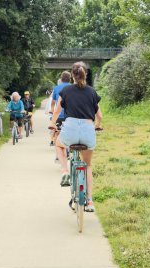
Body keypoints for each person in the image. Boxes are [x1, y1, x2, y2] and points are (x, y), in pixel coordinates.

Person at [50, 62, 102, 213]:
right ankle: (90, 201)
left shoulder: (65, 91)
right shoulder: (92, 92)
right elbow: (99, 116)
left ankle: (65, 171)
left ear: (72, 75)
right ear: (85, 74)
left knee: (59, 145)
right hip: (87, 130)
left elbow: (56, 112)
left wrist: (53, 124)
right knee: (88, 165)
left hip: (70, 129)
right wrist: (96, 125)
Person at [50, 72, 72, 147]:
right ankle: (70, 147)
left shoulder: (56, 88)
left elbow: (52, 103)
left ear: (61, 79)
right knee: (71, 130)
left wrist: (52, 111)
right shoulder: (73, 87)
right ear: (70, 79)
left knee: (57, 131)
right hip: (70, 115)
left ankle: (57, 151)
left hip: (58, 115)